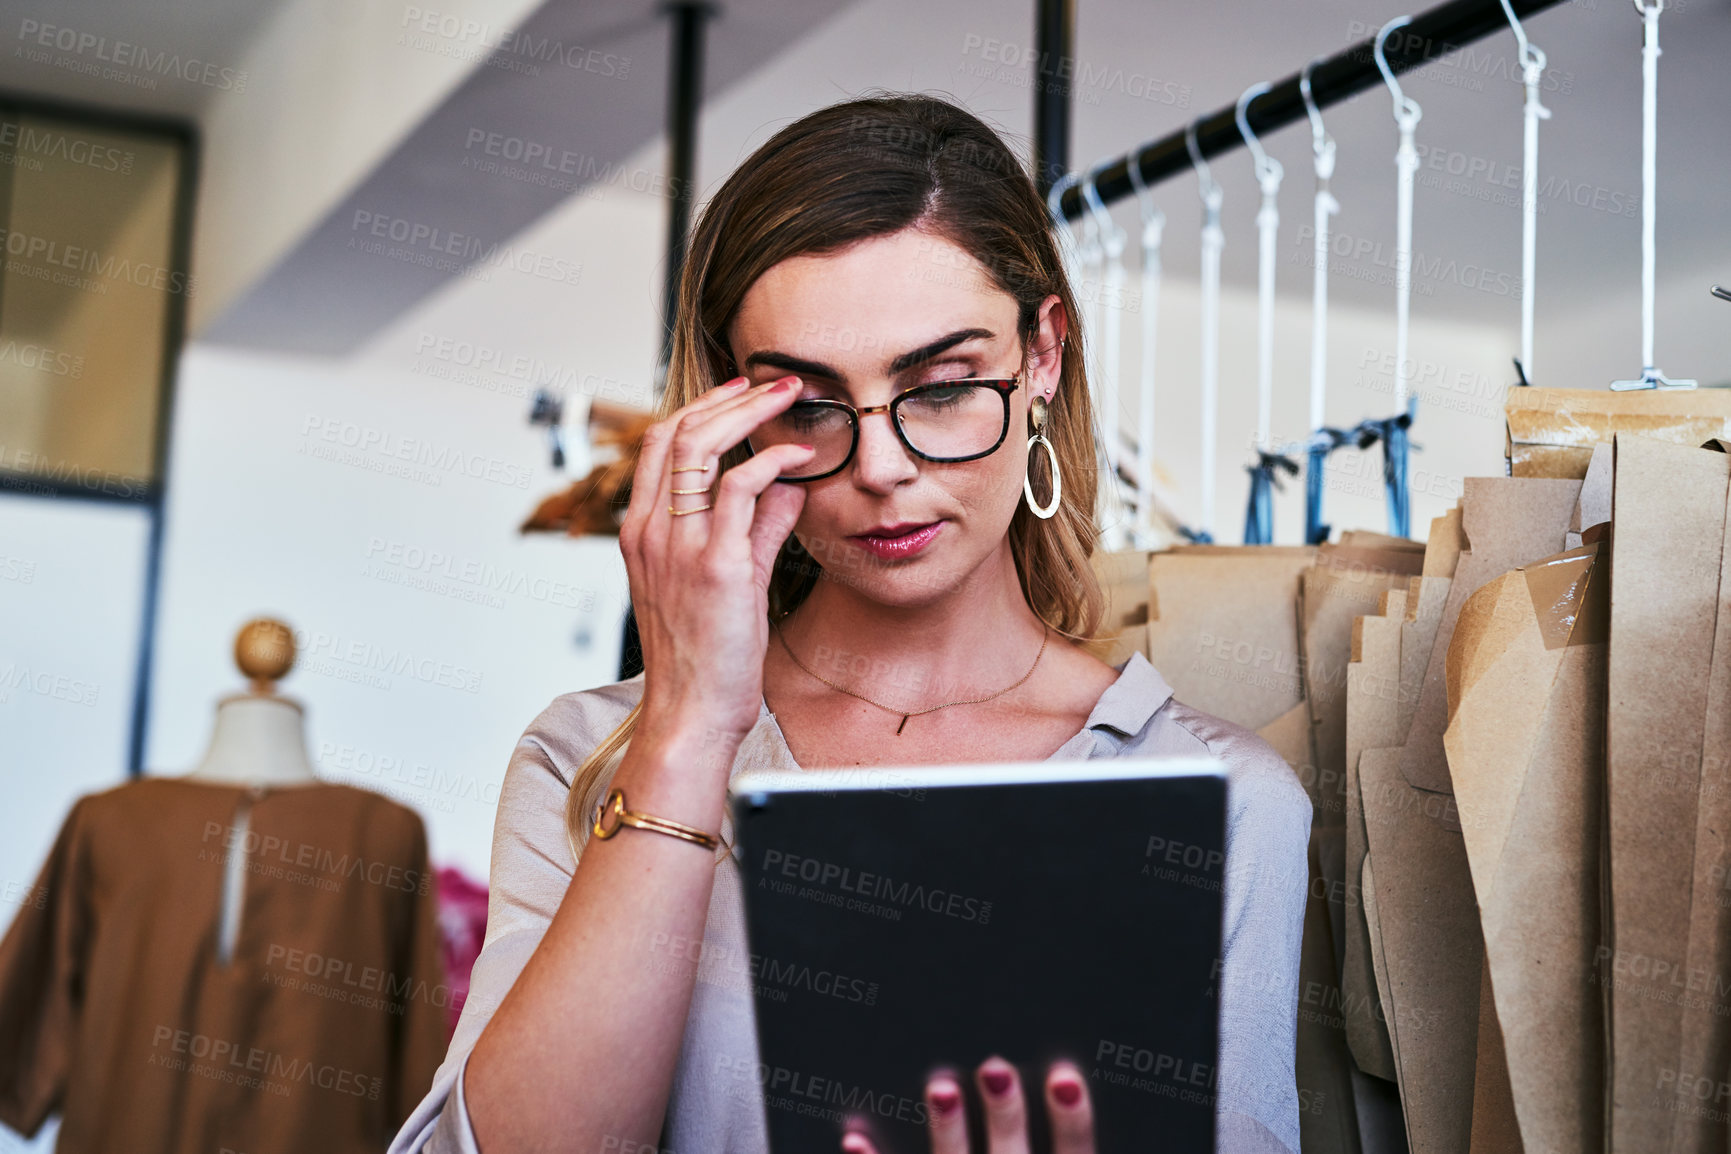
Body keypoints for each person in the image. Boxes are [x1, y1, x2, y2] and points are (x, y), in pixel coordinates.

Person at [389, 91, 1311, 1154]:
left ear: (1042, 356)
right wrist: (690, 724)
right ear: (734, 413)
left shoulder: (1225, 801)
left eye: (945, 384)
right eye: (811, 403)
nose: (882, 466)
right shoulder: (589, 758)